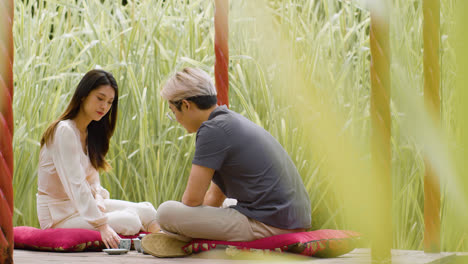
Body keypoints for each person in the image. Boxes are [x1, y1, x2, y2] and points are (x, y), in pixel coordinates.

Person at [141, 68, 311, 257]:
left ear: (186, 105)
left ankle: (181, 241)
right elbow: (215, 197)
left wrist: (181, 225)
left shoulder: (212, 130)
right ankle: (184, 239)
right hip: (288, 220)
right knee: (226, 203)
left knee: (166, 213)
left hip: (270, 224)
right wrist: (193, 222)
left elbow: (191, 200)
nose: (177, 120)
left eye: (174, 112)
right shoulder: (228, 122)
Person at [37, 69, 159, 249]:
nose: (104, 106)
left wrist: (100, 199)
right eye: (100, 98)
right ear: (83, 96)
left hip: (83, 208)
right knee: (130, 220)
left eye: (109, 102)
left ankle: (163, 241)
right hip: (59, 216)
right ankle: (155, 240)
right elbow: (76, 183)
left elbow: (93, 181)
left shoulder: (90, 133)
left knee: (147, 209)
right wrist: (102, 225)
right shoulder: (64, 131)